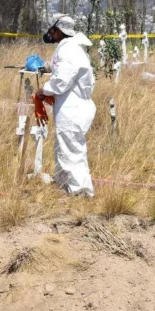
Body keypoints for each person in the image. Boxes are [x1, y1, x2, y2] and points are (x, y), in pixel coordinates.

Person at [37, 14, 96, 197]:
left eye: (52, 30)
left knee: (72, 152)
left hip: (73, 109)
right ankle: (65, 187)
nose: (50, 34)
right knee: (64, 149)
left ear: (58, 30)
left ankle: (80, 192)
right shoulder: (70, 47)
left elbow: (62, 80)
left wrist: (44, 90)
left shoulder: (69, 49)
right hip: (71, 107)